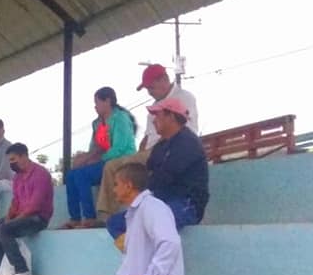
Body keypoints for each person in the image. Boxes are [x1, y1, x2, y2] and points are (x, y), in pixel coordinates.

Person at [95, 64, 198, 220]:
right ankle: (108, 215)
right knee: (113, 166)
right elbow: (147, 135)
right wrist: (140, 152)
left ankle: (114, 216)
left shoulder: (184, 98)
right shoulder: (155, 105)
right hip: (150, 151)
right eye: (147, 88)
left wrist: (154, 150)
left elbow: (182, 130)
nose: (150, 92)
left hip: (171, 149)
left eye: (151, 87)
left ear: (164, 79)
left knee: (119, 165)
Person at [106, 98, 209, 249]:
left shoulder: (188, 143)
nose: (154, 120)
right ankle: (139, 256)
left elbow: (164, 177)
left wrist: (139, 195)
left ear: (171, 116)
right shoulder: (161, 146)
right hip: (159, 203)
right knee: (114, 223)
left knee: (153, 221)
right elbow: (150, 173)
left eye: (158, 115)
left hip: (185, 204)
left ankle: (150, 257)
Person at [62, 87, 137, 229]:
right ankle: (75, 218)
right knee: (71, 175)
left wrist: (98, 159)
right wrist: (86, 159)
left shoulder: (120, 118)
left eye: (97, 102)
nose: (95, 106)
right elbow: (94, 147)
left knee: (81, 175)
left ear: (107, 101)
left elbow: (120, 148)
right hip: (102, 161)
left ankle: (89, 217)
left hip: (120, 161)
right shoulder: (97, 123)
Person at [0, 143, 53, 275]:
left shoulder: (40, 174)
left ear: (24, 156)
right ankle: (5, 270)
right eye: (10, 160)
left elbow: (35, 206)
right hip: (21, 216)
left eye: (13, 159)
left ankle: (22, 271)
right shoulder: (17, 177)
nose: (11, 163)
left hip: (38, 218)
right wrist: (9, 217)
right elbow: (15, 202)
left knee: (3, 229)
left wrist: (13, 221)